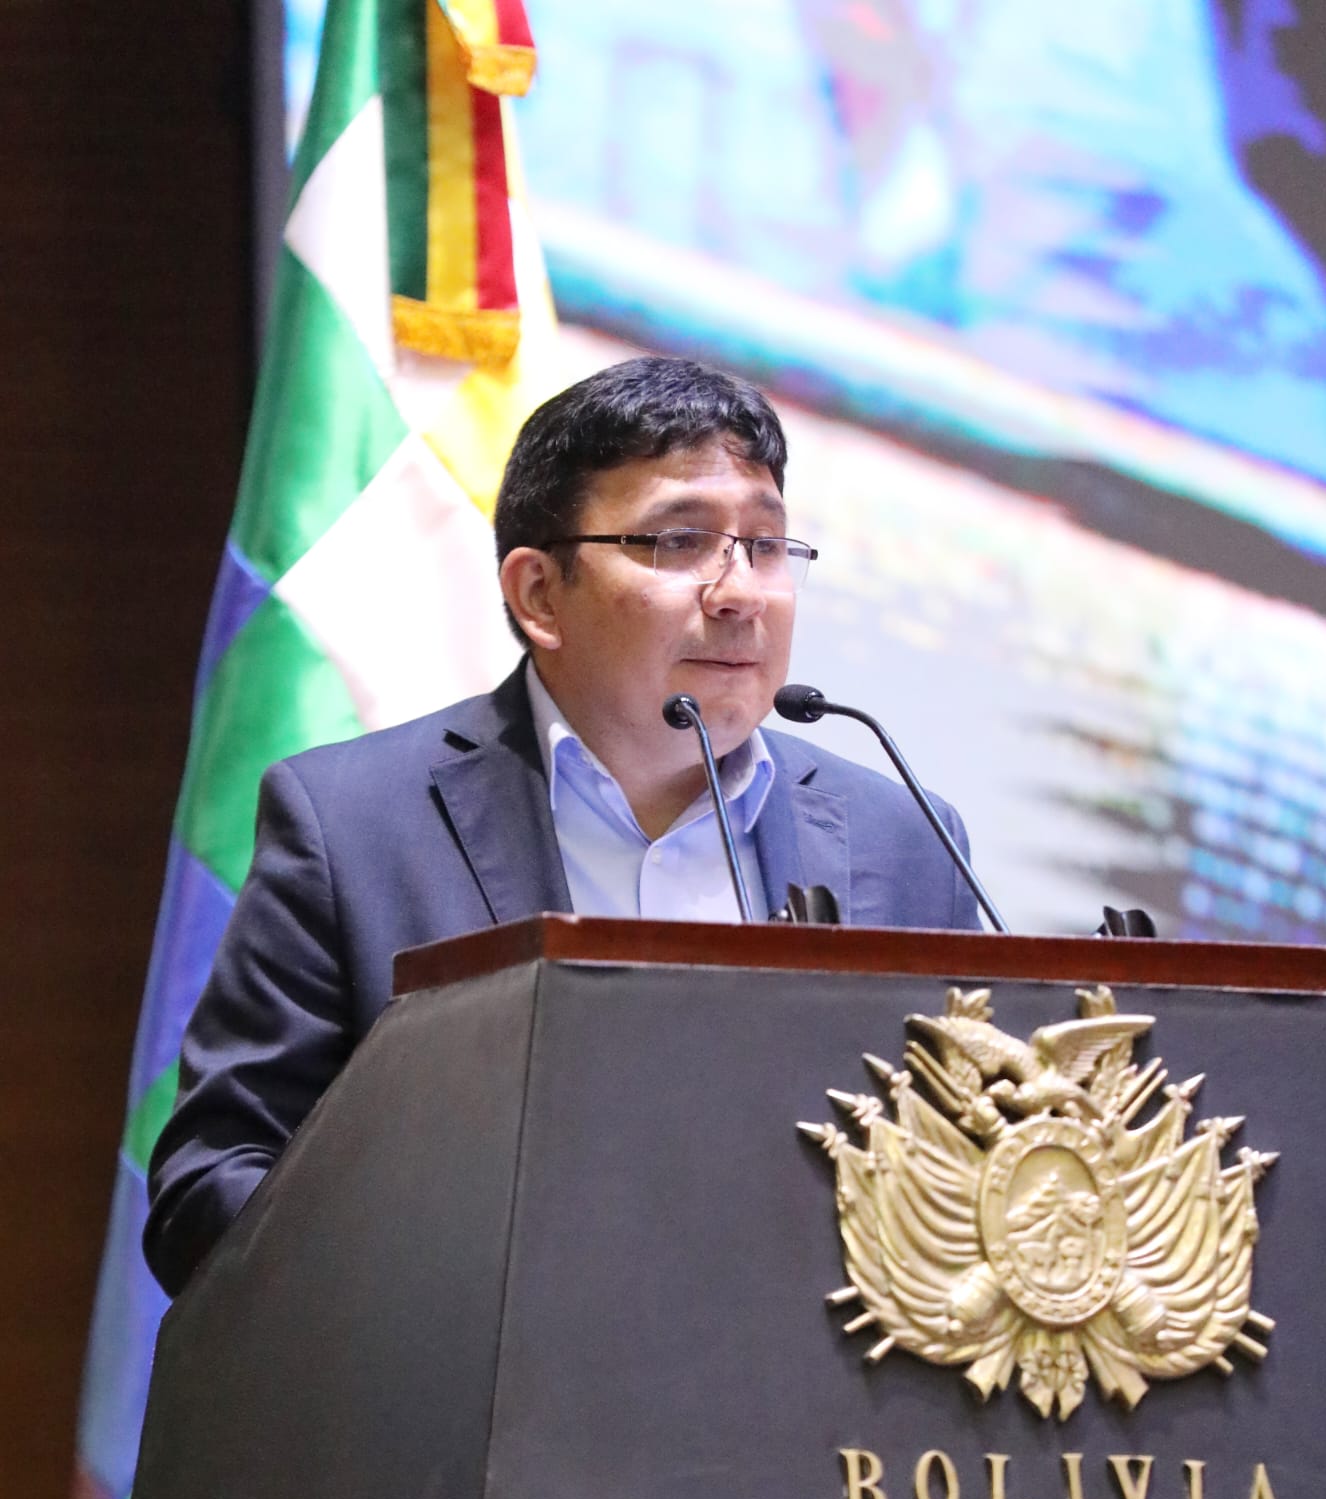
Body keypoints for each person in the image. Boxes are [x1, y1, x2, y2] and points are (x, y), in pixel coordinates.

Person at [143, 356, 982, 1298]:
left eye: (765, 544)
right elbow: (209, 1189)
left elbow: (969, 1177)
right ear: (540, 594)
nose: (740, 591)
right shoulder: (351, 826)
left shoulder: (906, 842)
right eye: (681, 541)